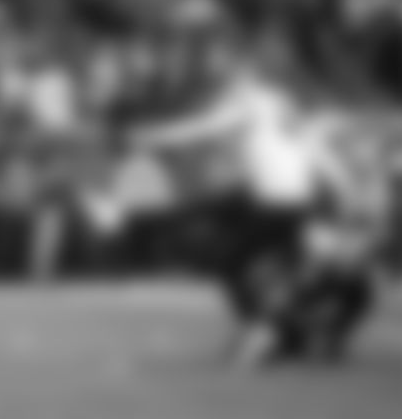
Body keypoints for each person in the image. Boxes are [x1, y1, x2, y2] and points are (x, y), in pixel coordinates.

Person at [128, 33, 368, 366]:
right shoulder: (282, 103)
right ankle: (293, 333)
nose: (227, 85)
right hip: (297, 200)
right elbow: (315, 150)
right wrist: (347, 189)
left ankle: (262, 329)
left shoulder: (250, 101)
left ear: (247, 74)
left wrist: (154, 136)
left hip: (275, 201)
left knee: (232, 261)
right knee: (284, 266)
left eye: (232, 74)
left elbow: (206, 127)